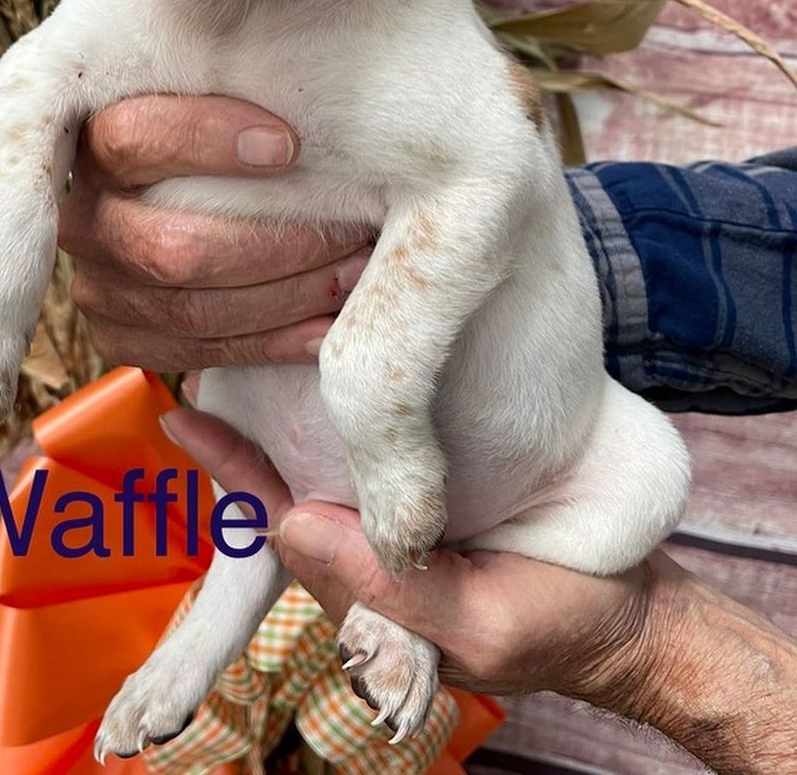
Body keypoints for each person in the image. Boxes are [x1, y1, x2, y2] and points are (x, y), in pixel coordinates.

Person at [58, 94, 797, 775]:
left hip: (504, 485)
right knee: (228, 415)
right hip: (296, 406)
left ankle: (398, 590)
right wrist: (520, 258)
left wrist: (642, 640)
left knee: (647, 475)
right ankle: (235, 626)